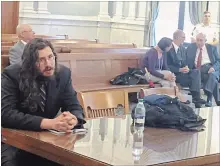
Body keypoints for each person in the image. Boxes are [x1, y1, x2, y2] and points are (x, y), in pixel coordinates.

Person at [1, 38, 86, 166]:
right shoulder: (12, 75)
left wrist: (73, 119)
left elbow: (74, 105)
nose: (48, 64)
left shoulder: (63, 74)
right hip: (15, 139)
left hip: (48, 140)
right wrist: (49, 123)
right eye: (41, 60)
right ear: (30, 63)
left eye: (51, 57)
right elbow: (6, 115)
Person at [167, 30, 206, 108]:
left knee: (196, 72)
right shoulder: (168, 48)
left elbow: (184, 62)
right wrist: (179, 70)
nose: (184, 39)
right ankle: (196, 99)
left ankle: (196, 98)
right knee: (194, 79)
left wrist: (186, 68)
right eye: (183, 37)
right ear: (177, 37)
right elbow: (166, 66)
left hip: (182, 74)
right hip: (173, 75)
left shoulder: (182, 48)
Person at [186, 33, 220, 107]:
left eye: (201, 40)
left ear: (205, 40)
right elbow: (186, 60)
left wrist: (213, 68)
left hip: (209, 68)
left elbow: (218, 61)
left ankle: (198, 101)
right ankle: (212, 99)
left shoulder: (211, 48)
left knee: (211, 75)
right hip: (195, 70)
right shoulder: (191, 47)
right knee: (212, 78)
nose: (198, 42)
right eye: (197, 40)